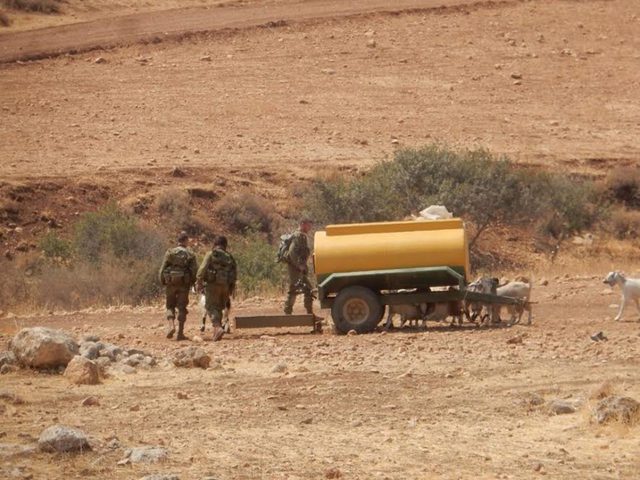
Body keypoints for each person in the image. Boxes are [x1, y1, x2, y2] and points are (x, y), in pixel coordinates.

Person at [196, 235, 237, 341]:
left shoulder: (211, 254)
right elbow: (234, 273)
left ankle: (217, 327)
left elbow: (201, 270)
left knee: (210, 306)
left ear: (215, 244)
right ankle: (216, 332)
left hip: (212, 285)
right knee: (218, 307)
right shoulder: (230, 257)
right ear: (225, 245)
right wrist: (231, 288)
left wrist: (199, 282)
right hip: (226, 286)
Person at [159, 231, 198, 341]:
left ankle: (171, 325)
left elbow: (162, 269)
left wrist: (163, 281)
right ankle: (180, 333)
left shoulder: (170, 252)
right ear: (186, 241)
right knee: (182, 307)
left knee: (170, 306)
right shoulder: (190, 254)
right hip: (184, 285)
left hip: (170, 283)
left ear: (178, 241)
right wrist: (193, 282)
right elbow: (194, 270)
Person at [283, 218, 314, 315]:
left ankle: (309, 313)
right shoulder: (297, 236)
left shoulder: (303, 236)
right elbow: (292, 253)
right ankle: (287, 313)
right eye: (308, 224)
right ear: (302, 224)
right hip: (295, 268)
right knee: (294, 289)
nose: (310, 227)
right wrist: (299, 265)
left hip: (300, 268)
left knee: (308, 288)